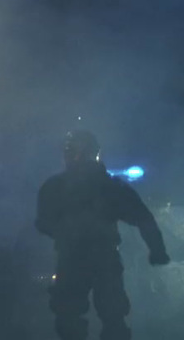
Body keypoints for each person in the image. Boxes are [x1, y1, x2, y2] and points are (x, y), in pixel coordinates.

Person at [35, 130, 170, 340]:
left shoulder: (55, 186)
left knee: (75, 318)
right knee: (109, 317)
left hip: (75, 259)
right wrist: (157, 250)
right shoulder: (110, 187)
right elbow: (143, 218)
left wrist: (65, 234)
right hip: (100, 258)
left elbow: (42, 223)